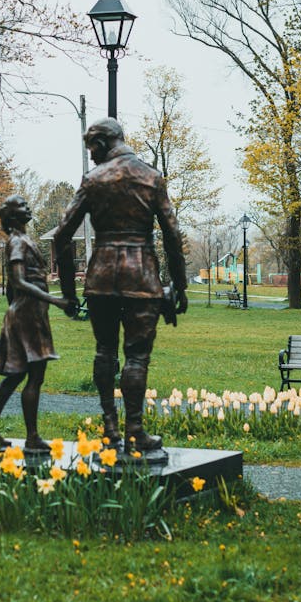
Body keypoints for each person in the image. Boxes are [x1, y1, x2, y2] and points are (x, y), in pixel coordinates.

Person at [53, 118, 188, 454]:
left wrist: (68, 292)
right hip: (141, 276)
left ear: (101, 143)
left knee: (104, 351)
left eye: (92, 150)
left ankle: (110, 427)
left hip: (102, 276)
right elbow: (172, 234)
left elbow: (61, 235)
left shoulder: (92, 180)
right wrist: (178, 285)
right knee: (137, 357)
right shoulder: (151, 177)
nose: (93, 157)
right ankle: (135, 431)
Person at [0, 194, 75, 453]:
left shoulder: (23, 240)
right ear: (12, 216)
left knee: (18, 375)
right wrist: (54, 301)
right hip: (27, 315)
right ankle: (32, 437)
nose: (28, 207)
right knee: (32, 375)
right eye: (22, 206)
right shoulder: (16, 243)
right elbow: (19, 282)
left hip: (29, 313)